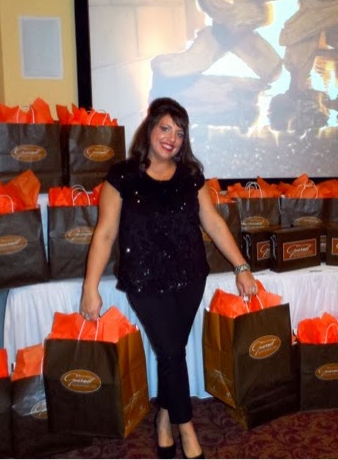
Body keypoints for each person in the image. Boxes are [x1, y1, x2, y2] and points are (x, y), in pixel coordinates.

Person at [80, 97, 257, 459]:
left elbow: (213, 222)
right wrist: (90, 287)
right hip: (144, 280)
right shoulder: (122, 176)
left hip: (190, 277)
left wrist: (241, 267)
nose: (171, 138)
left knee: (170, 352)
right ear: (149, 129)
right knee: (171, 351)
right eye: (165, 128)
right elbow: (105, 234)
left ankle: (164, 418)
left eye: (179, 133)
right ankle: (187, 430)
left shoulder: (190, 176)